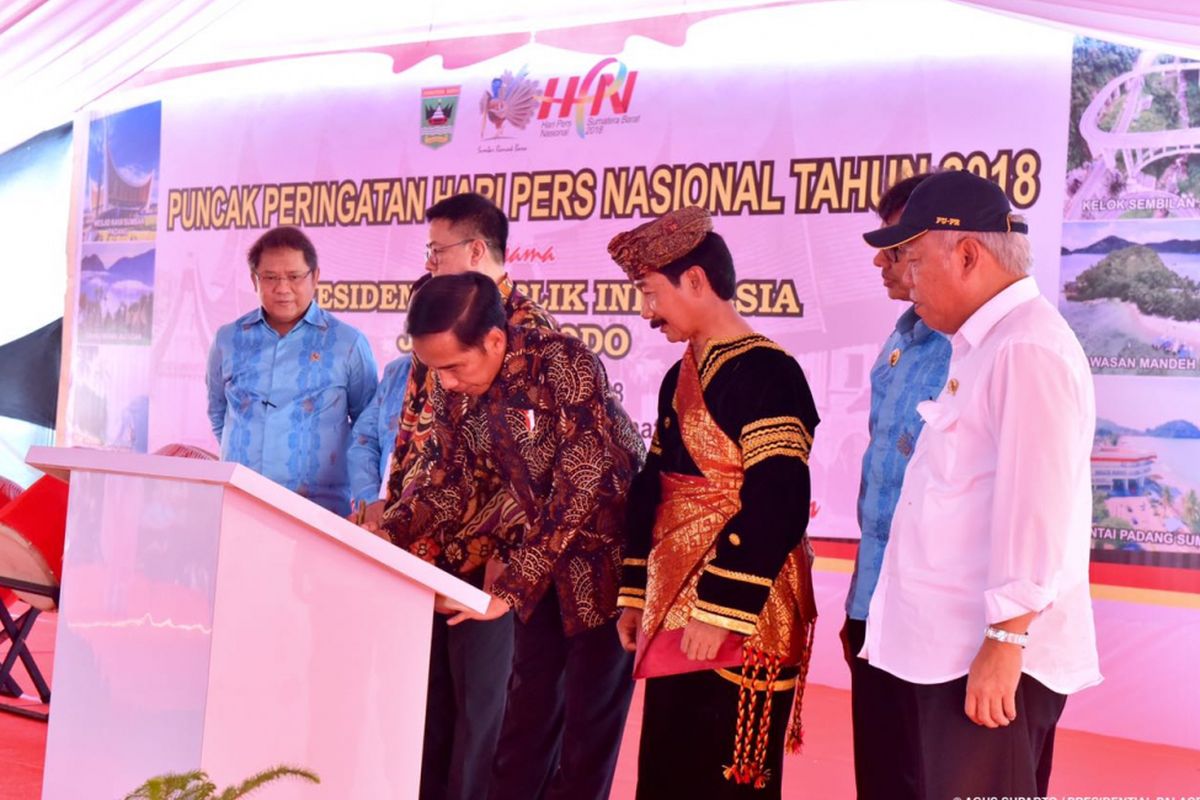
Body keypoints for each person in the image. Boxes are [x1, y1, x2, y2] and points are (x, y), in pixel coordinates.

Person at [860, 169, 1101, 798]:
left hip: (991, 659)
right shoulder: (983, 343)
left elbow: (1035, 508)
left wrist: (1003, 642)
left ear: (966, 254)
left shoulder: (1026, 348)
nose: (905, 279)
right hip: (957, 650)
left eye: (913, 260)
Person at [380, 272, 643, 800]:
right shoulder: (455, 388)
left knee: (588, 728)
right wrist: (385, 532)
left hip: (606, 562)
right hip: (538, 563)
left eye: (454, 366)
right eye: (436, 371)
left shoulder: (563, 362)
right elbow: (449, 481)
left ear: (495, 340)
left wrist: (509, 589)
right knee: (525, 722)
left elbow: (583, 484)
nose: (446, 383)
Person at [608, 206, 819, 799]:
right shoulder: (686, 369)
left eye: (651, 294)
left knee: (724, 780)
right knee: (668, 773)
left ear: (696, 281)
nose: (647, 313)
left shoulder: (770, 373)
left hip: (742, 616)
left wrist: (719, 608)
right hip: (678, 602)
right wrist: (635, 594)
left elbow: (780, 498)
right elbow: (654, 484)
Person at [376, 193, 557, 800]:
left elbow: (533, 482)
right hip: (426, 554)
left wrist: (501, 576)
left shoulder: (530, 336)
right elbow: (427, 444)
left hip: (494, 571)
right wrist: (394, 521)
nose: (429, 264)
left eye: (438, 251)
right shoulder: (440, 315)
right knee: (426, 726)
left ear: (477, 251)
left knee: (484, 731)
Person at [842, 173, 950, 800]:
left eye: (898, 245)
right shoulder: (904, 336)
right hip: (874, 605)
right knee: (882, 780)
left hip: (936, 621)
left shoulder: (985, 345)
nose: (883, 261)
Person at [205, 225, 377, 516]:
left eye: (294, 277)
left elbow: (367, 428)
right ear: (254, 280)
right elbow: (219, 413)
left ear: (316, 277)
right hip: (240, 505)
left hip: (319, 513)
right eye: (270, 278)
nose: (282, 288)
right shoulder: (228, 339)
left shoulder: (348, 343)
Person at [347, 353, 413, 504]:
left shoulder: (467, 380)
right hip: (380, 513)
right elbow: (364, 439)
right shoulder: (398, 371)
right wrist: (370, 500)